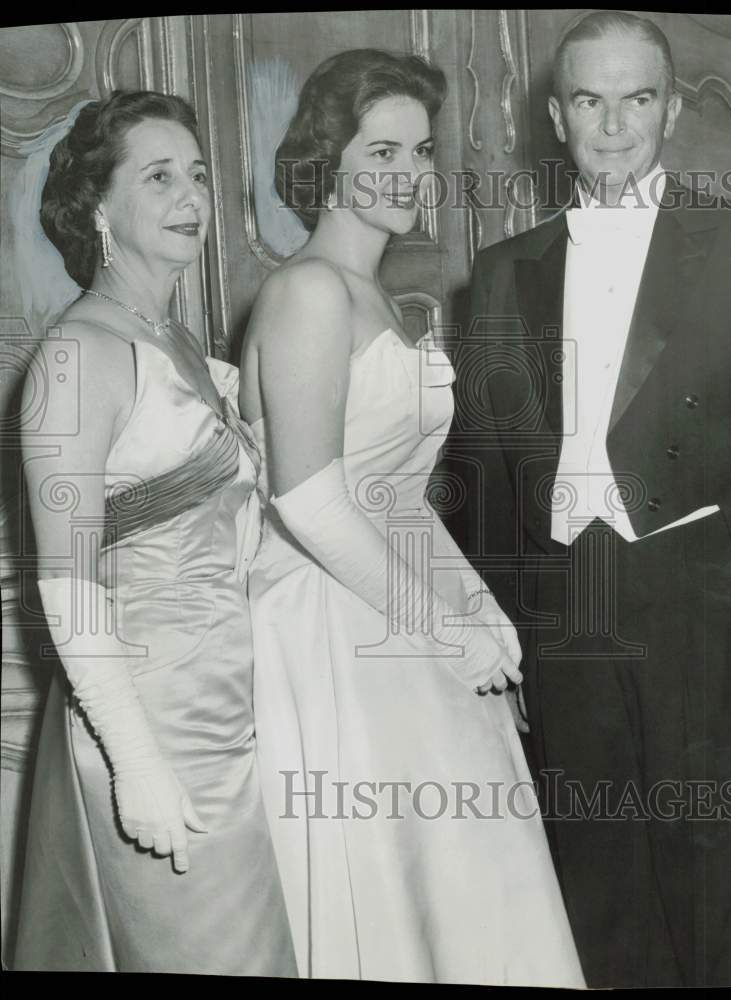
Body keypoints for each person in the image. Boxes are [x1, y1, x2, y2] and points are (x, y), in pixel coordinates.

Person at [451, 10, 731, 988]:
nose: (613, 125)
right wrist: (504, 633)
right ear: (557, 118)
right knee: (593, 897)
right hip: (565, 623)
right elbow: (481, 476)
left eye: (637, 98)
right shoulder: (500, 274)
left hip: (704, 609)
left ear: (673, 109)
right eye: (589, 100)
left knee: (713, 892)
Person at [239, 49, 584, 987]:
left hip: (402, 599)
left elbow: (398, 500)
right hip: (337, 625)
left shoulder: (378, 298)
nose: (409, 173)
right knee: (393, 891)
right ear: (325, 162)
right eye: (379, 150)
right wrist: (444, 627)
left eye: (421, 150)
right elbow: (309, 499)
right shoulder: (307, 291)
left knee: (465, 881)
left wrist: (479, 617)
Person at [14, 90, 296, 975]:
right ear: (98, 208)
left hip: (235, 712)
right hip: (152, 721)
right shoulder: (74, 357)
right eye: (160, 176)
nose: (191, 197)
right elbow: (66, 586)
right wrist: (136, 761)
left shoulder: (179, 342)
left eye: (200, 175)